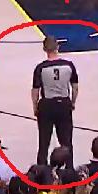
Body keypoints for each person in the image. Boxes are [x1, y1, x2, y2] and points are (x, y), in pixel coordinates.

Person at [33, 36, 78, 169]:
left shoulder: (41, 68)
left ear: (44, 49)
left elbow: (35, 90)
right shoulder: (68, 65)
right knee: (66, 142)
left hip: (47, 104)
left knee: (44, 142)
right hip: (63, 103)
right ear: (57, 47)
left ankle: (41, 171)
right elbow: (75, 87)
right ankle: (69, 170)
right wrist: (72, 102)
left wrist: (35, 107)